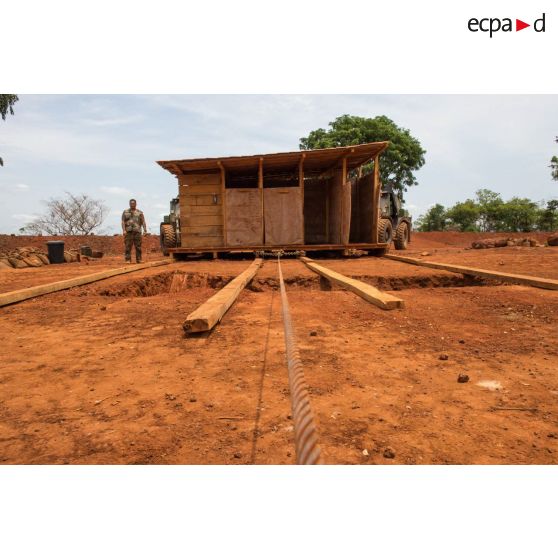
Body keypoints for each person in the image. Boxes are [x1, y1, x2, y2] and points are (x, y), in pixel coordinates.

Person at [121, 199, 147, 263]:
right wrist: (124, 230)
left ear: (136, 204)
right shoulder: (125, 212)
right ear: (129, 204)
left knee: (138, 246)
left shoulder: (140, 212)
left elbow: (143, 221)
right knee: (128, 246)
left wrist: (145, 230)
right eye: (131, 203)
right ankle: (128, 259)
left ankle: (139, 259)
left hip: (137, 231)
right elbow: (123, 221)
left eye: (133, 203)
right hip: (128, 231)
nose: (132, 204)